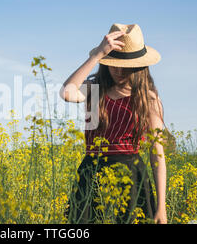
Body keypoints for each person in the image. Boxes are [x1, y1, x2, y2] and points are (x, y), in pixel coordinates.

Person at [60, 23, 168, 224]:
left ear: (139, 65)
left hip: (132, 177)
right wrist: (97, 55)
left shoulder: (148, 98)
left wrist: (161, 206)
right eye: (113, 62)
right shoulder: (94, 89)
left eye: (126, 66)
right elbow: (67, 93)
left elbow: (157, 152)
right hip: (91, 172)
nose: (119, 70)